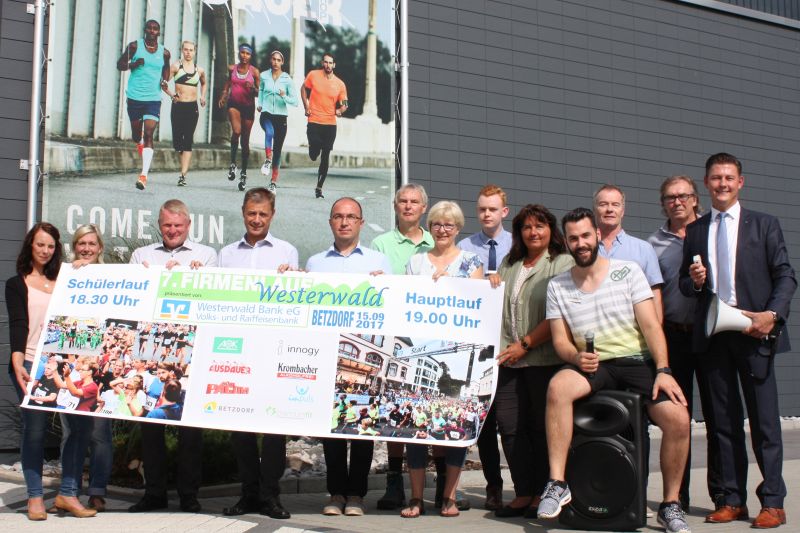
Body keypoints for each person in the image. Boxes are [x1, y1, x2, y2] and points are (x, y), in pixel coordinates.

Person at [537, 207, 691, 533]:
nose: (581, 243)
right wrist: (576, 358)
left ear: (597, 236)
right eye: (573, 238)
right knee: (557, 388)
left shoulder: (629, 271)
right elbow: (560, 342)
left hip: (637, 362)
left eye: (585, 236)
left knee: (678, 419)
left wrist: (663, 369)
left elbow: (651, 326)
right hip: (593, 364)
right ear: (566, 241)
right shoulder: (558, 286)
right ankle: (557, 483)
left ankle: (670, 505)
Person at [679, 153, 796, 529]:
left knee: (764, 425)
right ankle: (732, 499)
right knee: (723, 425)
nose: (723, 184)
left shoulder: (764, 225)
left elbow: (785, 276)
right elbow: (685, 284)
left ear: (740, 182)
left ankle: (773, 502)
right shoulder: (696, 230)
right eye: (716, 178)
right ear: (707, 183)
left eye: (729, 178)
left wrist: (771, 316)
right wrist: (694, 281)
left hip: (754, 333)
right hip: (715, 337)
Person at [128, 199, 216, 513]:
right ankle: (154, 493)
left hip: (191, 351)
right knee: (151, 424)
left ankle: (189, 495)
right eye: (167, 225)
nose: (173, 231)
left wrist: (199, 276)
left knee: (190, 428)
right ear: (160, 225)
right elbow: (133, 294)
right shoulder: (142, 256)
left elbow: (214, 298)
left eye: (178, 225)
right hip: (153, 349)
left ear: (188, 225)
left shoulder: (207, 255)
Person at [5, 223, 97, 520]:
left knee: (81, 428)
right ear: (30, 246)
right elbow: (19, 324)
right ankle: (34, 497)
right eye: (40, 245)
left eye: (50, 246)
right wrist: (17, 359)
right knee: (35, 431)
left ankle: (68, 493)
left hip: (63, 363)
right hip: (30, 363)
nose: (45, 251)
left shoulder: (65, 278)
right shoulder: (16, 283)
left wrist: (84, 268)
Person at [306, 197, 391, 517]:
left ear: (361, 223)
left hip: (363, 350)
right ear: (331, 222)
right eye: (338, 217)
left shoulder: (380, 261)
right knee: (332, 431)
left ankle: (357, 494)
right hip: (327, 355)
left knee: (361, 429)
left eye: (351, 217)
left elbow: (392, 308)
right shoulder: (315, 263)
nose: (344, 222)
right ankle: (336, 493)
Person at [487, 205, 573, 518]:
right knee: (510, 428)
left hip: (543, 359)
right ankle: (523, 491)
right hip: (509, 361)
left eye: (539, 226)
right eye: (526, 227)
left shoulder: (563, 263)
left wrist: (525, 344)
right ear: (519, 232)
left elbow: (560, 315)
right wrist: (492, 283)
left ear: (551, 229)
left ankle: (543, 492)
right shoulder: (510, 264)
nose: (533, 232)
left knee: (540, 429)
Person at [401, 201, 483, 519]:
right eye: (437, 224)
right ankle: (417, 498)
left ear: (458, 228)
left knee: (453, 430)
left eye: (449, 225)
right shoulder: (416, 261)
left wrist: (475, 283)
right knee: (417, 430)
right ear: (430, 226)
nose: (443, 230)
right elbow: (405, 299)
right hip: (424, 347)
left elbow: (476, 304)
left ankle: (448, 498)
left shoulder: (471, 261)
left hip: (457, 353)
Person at [218, 187, 295, 520]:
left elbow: (295, 298)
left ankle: (270, 495)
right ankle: (248, 493)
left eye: (263, 214)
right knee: (241, 427)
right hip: (238, 349)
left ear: (272, 215)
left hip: (274, 348)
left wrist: (295, 281)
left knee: (274, 427)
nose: (257, 219)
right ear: (243, 212)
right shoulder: (226, 254)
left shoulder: (287, 252)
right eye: (252, 213)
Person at [648, 176, 722, 512]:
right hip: (674, 336)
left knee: (720, 418)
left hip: (711, 335)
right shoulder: (654, 245)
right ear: (663, 203)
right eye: (670, 197)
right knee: (679, 418)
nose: (677, 202)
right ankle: (679, 496)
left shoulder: (713, 233)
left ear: (695, 199)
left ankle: (724, 495)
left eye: (683, 196)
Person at [370, 183, 434, 510]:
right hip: (394, 336)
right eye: (402, 202)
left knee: (425, 415)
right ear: (395, 207)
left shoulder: (435, 242)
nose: (408, 207)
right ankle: (394, 483)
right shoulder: (380, 244)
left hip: (429, 338)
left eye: (414, 202)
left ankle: (438, 486)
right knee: (395, 415)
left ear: (424, 207)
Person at [457, 184, 512, 510]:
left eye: (492, 209)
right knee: (487, 422)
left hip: (511, 340)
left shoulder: (517, 244)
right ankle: (493, 486)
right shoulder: (465, 247)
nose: (486, 214)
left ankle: (527, 487)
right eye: (482, 209)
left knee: (515, 422)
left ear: (504, 212)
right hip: (478, 342)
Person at [62, 224, 113, 511]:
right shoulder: (66, 274)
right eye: (81, 243)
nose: (86, 248)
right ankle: (69, 490)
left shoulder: (112, 275)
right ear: (74, 246)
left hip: (97, 366)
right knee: (72, 432)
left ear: (100, 247)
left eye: (92, 243)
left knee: (99, 434)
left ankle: (97, 490)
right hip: (75, 361)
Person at [594, 184, 664, 321]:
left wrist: (657, 333)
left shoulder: (643, 249)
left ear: (623, 211)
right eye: (603, 204)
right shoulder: (584, 250)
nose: (609, 209)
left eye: (615, 204)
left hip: (635, 335)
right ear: (594, 210)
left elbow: (655, 294)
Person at [116, 19, 171, 191]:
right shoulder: (134, 46)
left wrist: (164, 80)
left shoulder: (164, 53)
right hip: (134, 97)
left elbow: (166, 69)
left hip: (153, 98)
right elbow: (120, 65)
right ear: (145, 30)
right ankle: (138, 140)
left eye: (156, 29)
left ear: (159, 33)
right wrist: (133, 64)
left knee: (149, 133)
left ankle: (143, 175)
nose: (152, 31)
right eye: (150, 28)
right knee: (135, 134)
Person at [301, 52, 348, 198]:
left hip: (330, 124)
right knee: (315, 153)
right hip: (314, 121)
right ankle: (312, 150)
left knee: (326, 155)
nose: (328, 65)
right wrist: (306, 106)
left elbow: (345, 103)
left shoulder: (340, 84)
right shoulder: (313, 75)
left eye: (330, 62)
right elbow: (303, 89)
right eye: (325, 62)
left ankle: (319, 187)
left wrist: (340, 110)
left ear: (334, 65)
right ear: (323, 63)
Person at [218, 44, 259, 191]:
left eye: (247, 54)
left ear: (250, 56)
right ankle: (233, 163)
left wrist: (253, 88)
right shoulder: (232, 69)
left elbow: (259, 92)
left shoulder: (254, 72)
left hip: (248, 107)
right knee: (236, 131)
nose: (244, 56)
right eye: (242, 53)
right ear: (239, 54)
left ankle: (243, 173)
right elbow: (227, 84)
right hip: (234, 104)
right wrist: (223, 96)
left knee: (245, 142)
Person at [166, 40, 207, 187]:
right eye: (186, 50)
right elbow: (163, 82)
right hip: (178, 107)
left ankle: (183, 175)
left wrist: (202, 96)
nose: (188, 53)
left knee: (188, 140)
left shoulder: (199, 70)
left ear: (195, 52)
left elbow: (203, 83)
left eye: (191, 50)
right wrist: (171, 94)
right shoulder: (176, 67)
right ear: (182, 51)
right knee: (178, 143)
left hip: (192, 108)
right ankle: (182, 162)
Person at [257, 50, 297, 192]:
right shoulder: (264, 76)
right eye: (273, 59)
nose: (275, 62)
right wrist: (260, 103)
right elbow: (261, 90)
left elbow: (295, 101)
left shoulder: (287, 79)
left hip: (281, 117)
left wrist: (284, 96)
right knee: (269, 131)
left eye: (278, 60)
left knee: (278, 150)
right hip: (266, 113)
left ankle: (273, 183)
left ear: (282, 62)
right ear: (270, 60)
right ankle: (268, 159)